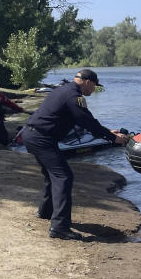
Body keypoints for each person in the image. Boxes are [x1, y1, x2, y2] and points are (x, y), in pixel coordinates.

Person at [22, 69, 128, 241]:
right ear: (88, 82)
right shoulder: (75, 97)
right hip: (42, 138)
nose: (94, 90)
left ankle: (46, 212)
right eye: (94, 86)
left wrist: (107, 131)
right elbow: (86, 121)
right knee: (63, 177)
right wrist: (112, 138)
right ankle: (59, 228)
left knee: (52, 175)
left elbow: (81, 121)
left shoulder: (64, 90)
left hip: (33, 135)